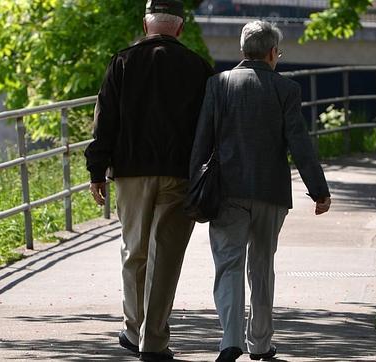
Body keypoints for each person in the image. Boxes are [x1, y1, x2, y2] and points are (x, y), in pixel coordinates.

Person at [189, 20, 331, 362]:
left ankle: (230, 340)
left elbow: (201, 142)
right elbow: (300, 145)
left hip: (226, 192)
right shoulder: (286, 90)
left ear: (242, 51)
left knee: (229, 264)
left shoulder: (217, 85)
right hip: (271, 193)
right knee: (262, 266)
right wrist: (319, 191)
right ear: (272, 53)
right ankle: (261, 343)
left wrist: (192, 187)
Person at [84, 1, 214, 361]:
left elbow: (104, 121)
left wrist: (97, 170)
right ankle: (153, 340)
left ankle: (132, 329)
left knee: (134, 251)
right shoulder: (198, 68)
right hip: (180, 173)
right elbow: (209, 127)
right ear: (180, 29)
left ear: (145, 25)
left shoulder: (122, 62)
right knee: (167, 256)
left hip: (131, 172)